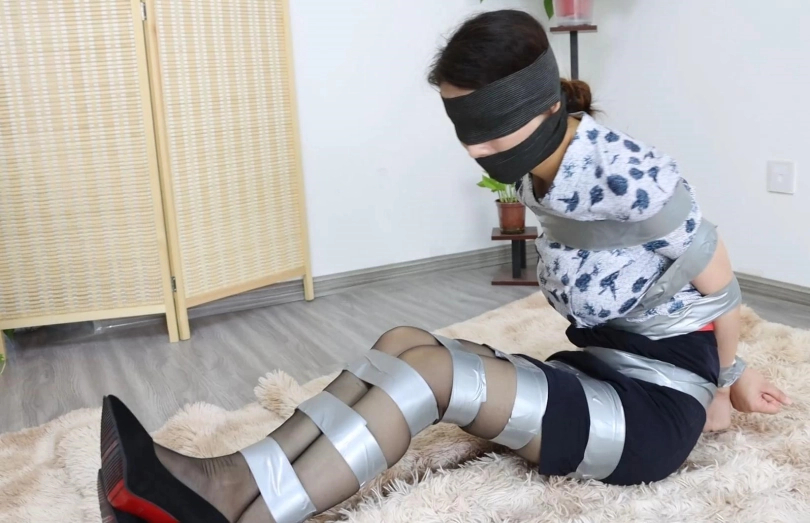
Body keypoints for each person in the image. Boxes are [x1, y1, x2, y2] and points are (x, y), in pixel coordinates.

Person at [95, 10, 791, 523]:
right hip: (601, 371)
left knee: (433, 379)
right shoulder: (545, 160)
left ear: (544, 104)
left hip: (650, 415)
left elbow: (719, 286)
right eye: (465, 130)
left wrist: (726, 387)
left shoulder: (631, 175)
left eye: (488, 130)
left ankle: (238, 514)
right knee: (404, 342)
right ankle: (222, 476)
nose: (474, 151)